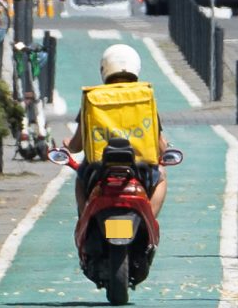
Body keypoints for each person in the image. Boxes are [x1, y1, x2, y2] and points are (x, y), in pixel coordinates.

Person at [65, 43, 169, 218]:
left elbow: (76, 146)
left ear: (104, 68)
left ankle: (86, 220)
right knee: (161, 178)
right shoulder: (144, 96)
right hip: (140, 168)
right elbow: (160, 146)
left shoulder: (93, 98)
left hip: (98, 168)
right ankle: (149, 218)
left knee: (80, 182)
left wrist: (69, 144)